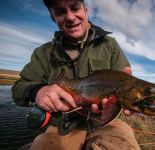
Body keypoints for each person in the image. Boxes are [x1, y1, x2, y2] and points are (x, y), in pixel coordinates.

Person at [12, 0, 140, 149]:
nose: (71, 17)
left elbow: (126, 78)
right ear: (53, 17)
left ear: (85, 10)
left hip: (106, 123)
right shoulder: (42, 53)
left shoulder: (109, 45)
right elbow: (17, 89)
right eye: (60, 11)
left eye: (74, 7)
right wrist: (37, 91)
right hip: (61, 127)